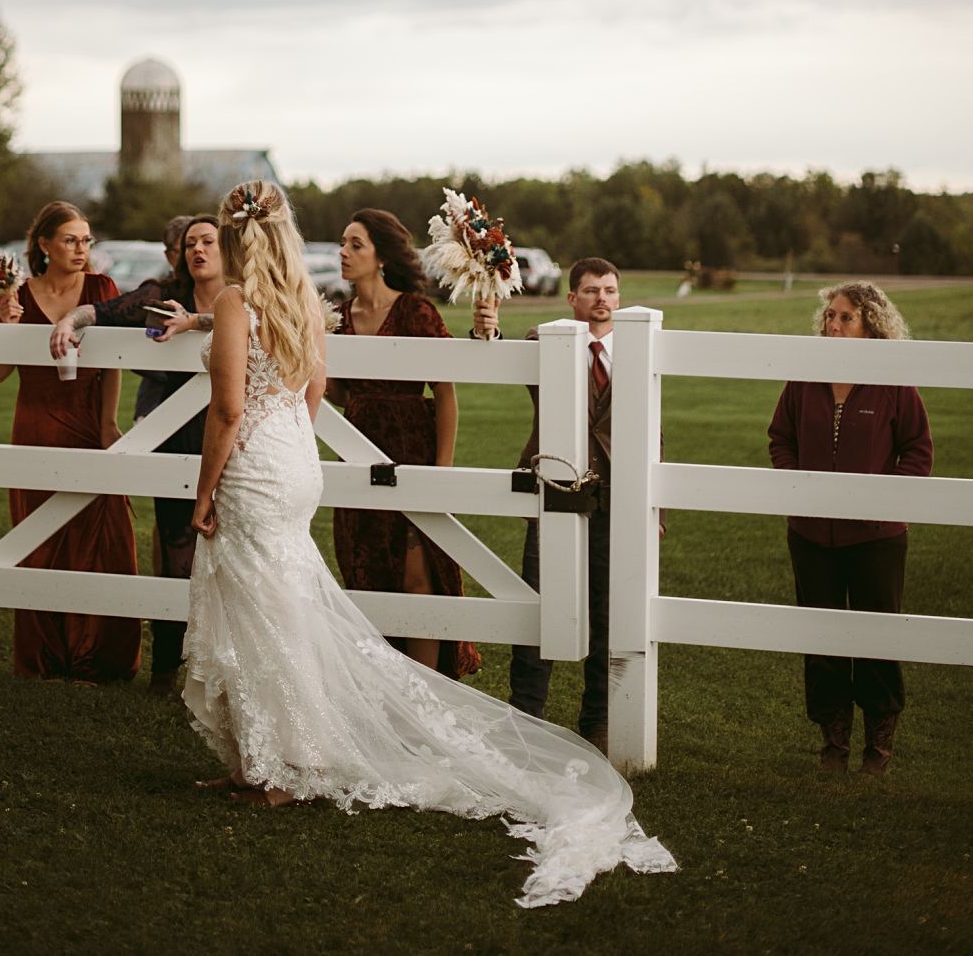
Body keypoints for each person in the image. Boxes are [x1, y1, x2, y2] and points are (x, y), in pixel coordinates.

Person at [181, 182, 676, 908]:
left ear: (231, 238)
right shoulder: (302, 303)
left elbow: (226, 408)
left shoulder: (234, 304)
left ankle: (278, 770)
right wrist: (283, 429)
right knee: (282, 607)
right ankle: (268, 757)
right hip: (294, 460)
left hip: (254, 465)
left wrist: (203, 490)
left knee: (264, 612)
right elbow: (314, 387)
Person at [50, 215, 220, 696]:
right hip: (175, 429)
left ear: (228, 248)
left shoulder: (248, 294)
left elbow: (265, 319)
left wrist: (197, 324)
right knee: (175, 547)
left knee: (231, 551)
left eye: (208, 241)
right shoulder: (162, 293)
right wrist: (70, 319)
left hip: (231, 432)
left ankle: (225, 670)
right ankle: (166, 666)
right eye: (190, 243)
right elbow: (102, 311)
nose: (197, 250)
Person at [768, 281, 932, 774]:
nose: (832, 324)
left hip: (877, 538)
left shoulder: (894, 381)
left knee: (877, 636)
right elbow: (781, 438)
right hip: (811, 534)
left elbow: (918, 452)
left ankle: (878, 741)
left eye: (845, 318)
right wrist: (798, 487)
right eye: (830, 316)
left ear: (871, 327)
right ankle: (833, 739)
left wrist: (884, 499)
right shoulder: (805, 377)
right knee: (822, 638)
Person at [0, 201, 142, 683]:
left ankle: (101, 660)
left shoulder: (101, 289)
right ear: (44, 246)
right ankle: (45, 663)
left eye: (87, 240)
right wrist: (4, 323)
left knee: (105, 539)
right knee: (41, 541)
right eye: (71, 239)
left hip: (88, 421)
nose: (82, 249)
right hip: (34, 424)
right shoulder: (17, 295)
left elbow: (114, 359)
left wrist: (107, 422)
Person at [326, 210, 480, 678]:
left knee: (418, 577)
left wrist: (442, 468)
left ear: (382, 257)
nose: (344, 253)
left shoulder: (415, 311)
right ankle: (386, 690)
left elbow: (446, 389)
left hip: (411, 444)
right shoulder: (337, 316)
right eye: (344, 243)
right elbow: (337, 392)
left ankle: (428, 692)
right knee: (367, 570)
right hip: (356, 446)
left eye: (356, 245)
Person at [485, 257, 628, 746]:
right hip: (553, 493)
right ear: (572, 299)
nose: (601, 299)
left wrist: (658, 514)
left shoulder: (636, 352)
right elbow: (511, 359)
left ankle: (600, 723)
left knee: (609, 613)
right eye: (590, 290)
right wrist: (490, 332)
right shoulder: (546, 343)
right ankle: (527, 717)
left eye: (609, 290)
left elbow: (654, 435)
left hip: (616, 499)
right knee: (539, 604)